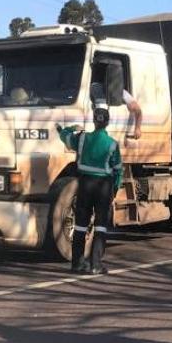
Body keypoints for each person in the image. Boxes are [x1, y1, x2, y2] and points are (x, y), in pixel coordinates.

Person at [56, 107, 123, 275]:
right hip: (103, 187)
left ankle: (77, 264)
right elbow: (118, 170)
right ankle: (95, 265)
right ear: (107, 123)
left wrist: (69, 128)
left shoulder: (82, 139)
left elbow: (65, 136)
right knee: (100, 227)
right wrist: (114, 190)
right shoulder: (112, 144)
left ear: (94, 121)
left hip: (85, 184)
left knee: (80, 225)